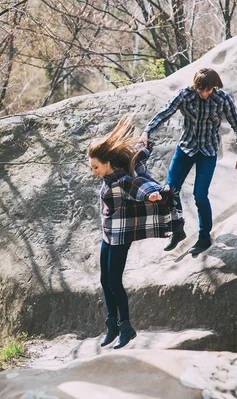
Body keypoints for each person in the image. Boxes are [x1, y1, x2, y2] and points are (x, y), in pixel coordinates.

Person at [87, 114, 178, 349]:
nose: (93, 171)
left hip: (120, 236)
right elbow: (140, 148)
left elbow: (138, 185)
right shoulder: (109, 172)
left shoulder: (121, 179)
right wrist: (145, 140)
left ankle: (126, 327)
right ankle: (112, 326)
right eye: (92, 167)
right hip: (108, 233)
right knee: (104, 280)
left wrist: (151, 194)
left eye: (95, 166)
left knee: (115, 282)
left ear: (106, 163)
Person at [141, 68, 237, 255]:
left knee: (200, 195)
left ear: (214, 87)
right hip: (186, 148)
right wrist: (147, 131)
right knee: (169, 190)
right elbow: (165, 112)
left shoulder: (222, 99)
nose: (205, 94)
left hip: (207, 151)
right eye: (201, 90)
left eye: (208, 90)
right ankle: (177, 229)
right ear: (196, 86)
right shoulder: (185, 95)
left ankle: (204, 237)